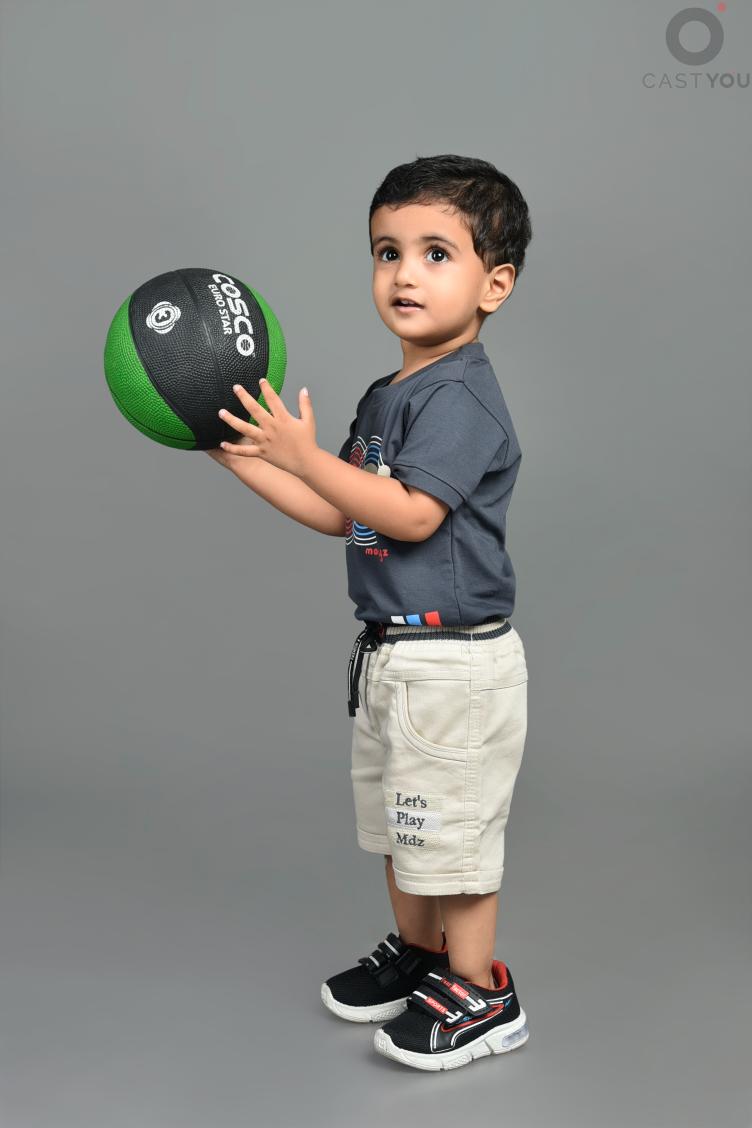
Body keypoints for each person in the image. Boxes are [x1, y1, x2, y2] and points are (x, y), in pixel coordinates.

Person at [206, 153, 533, 1071]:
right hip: (394, 658)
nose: (404, 273)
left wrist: (305, 455)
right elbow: (340, 512)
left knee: (452, 846)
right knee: (402, 831)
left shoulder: (461, 395)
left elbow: (413, 513)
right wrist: (238, 455)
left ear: (494, 284)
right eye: (388, 252)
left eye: (437, 253)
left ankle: (482, 992)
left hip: (456, 667)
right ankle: (424, 961)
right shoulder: (389, 397)